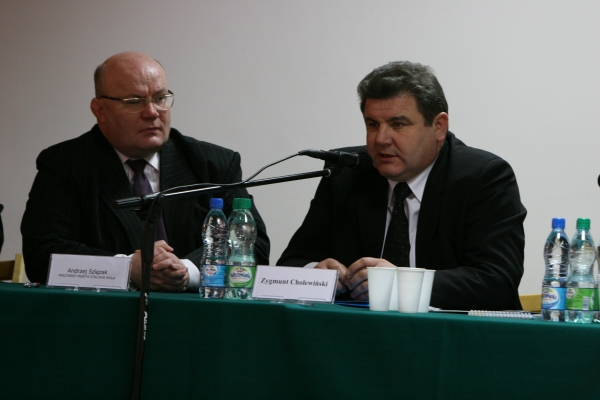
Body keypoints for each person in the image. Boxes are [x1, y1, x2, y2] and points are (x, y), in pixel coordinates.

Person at [277, 61, 526, 311]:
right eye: (372, 124)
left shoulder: (482, 177)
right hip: (359, 330)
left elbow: (497, 281)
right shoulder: (347, 173)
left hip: (453, 332)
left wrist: (401, 283)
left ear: (439, 127)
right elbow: (290, 264)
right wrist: (316, 274)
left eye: (398, 124)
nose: (381, 139)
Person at [21, 51, 269, 291]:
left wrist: (187, 270)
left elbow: (254, 246)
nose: (152, 112)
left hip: (199, 312)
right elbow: (42, 256)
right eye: (134, 102)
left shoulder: (213, 164)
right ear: (100, 110)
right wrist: (126, 269)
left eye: (160, 98)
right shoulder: (66, 164)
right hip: (105, 313)